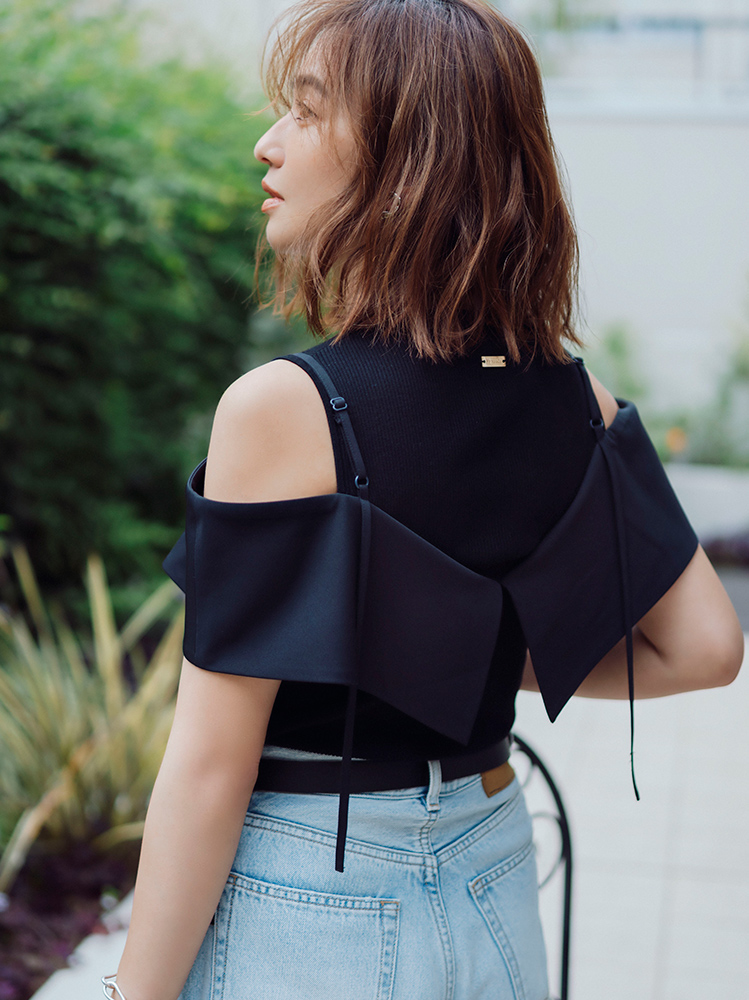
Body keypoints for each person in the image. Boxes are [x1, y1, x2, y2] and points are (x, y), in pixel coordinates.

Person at [108, 2, 744, 999]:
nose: (266, 144)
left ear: (405, 156)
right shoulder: (572, 397)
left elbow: (209, 767)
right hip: (493, 875)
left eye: (305, 111)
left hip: (312, 897)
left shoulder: (281, 409)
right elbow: (705, 646)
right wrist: (478, 660)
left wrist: (129, 994)